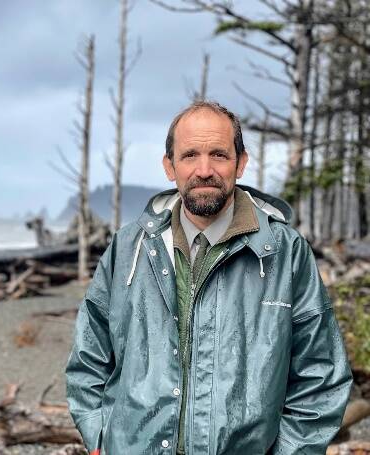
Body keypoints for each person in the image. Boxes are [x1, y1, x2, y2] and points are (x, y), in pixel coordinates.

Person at [64, 101, 352, 455]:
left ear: (241, 163)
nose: (204, 170)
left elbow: (321, 376)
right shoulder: (129, 246)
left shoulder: (285, 251)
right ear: (169, 166)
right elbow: (88, 359)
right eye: (189, 156)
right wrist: (100, 438)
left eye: (218, 154)